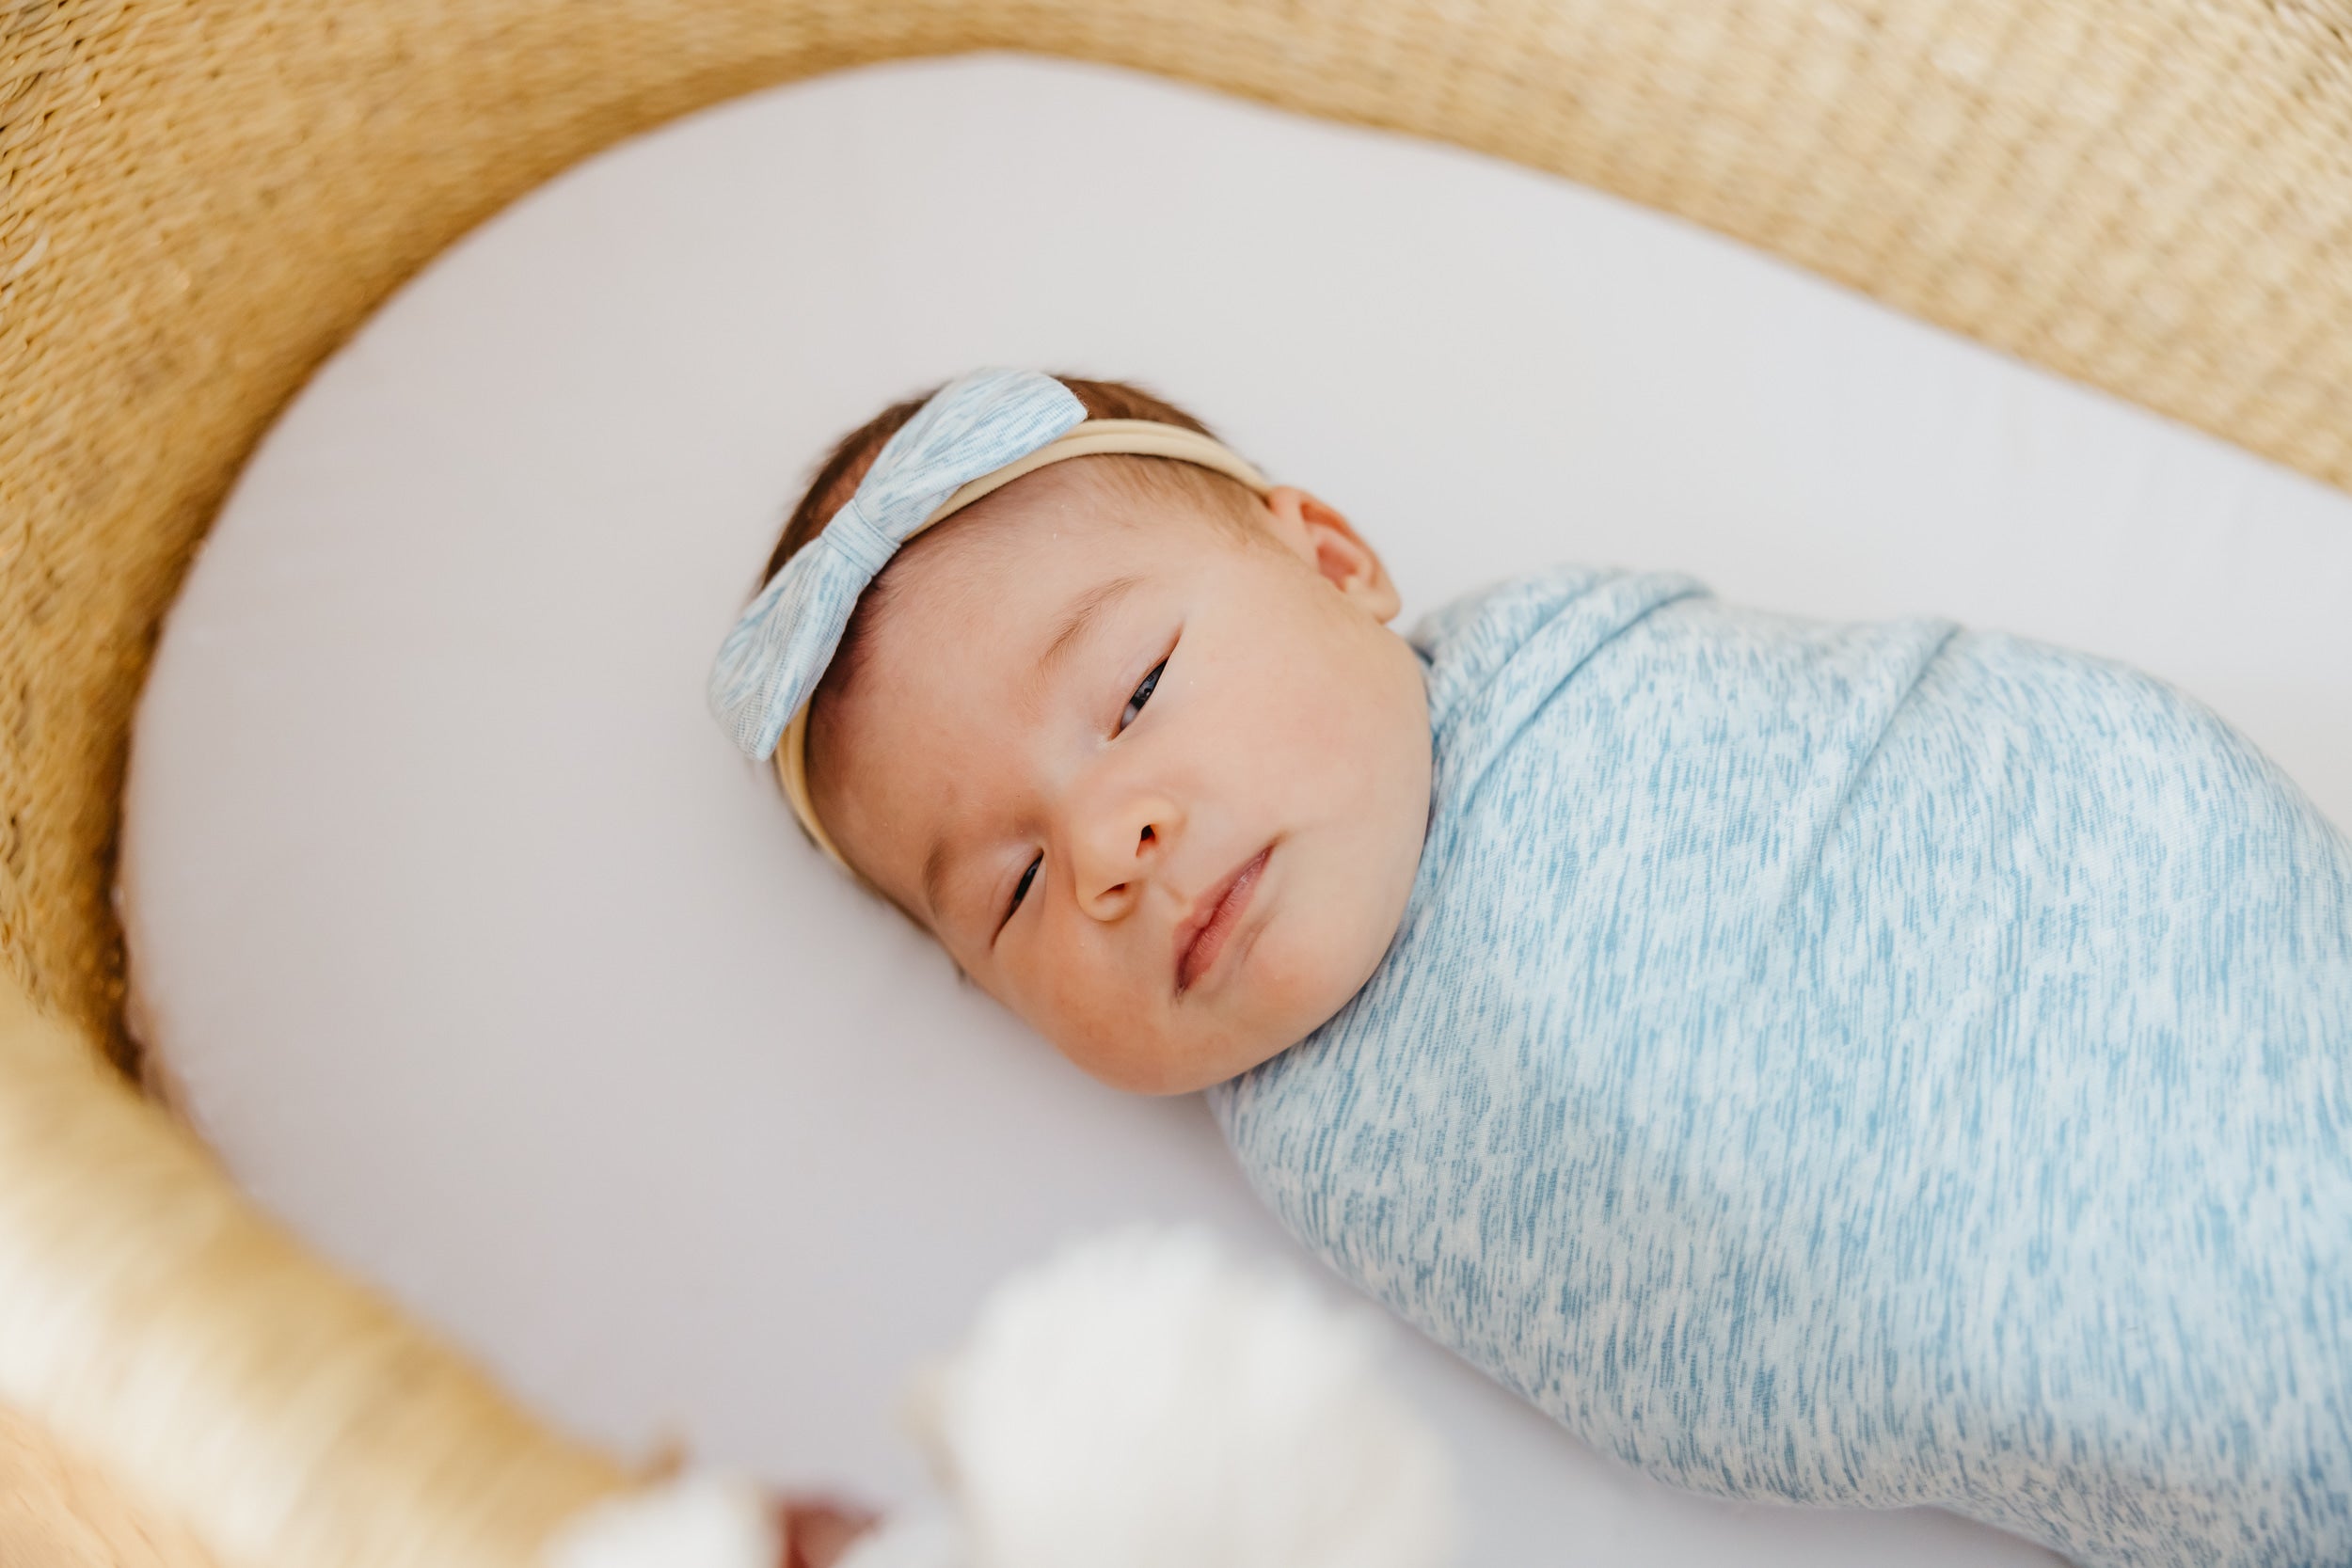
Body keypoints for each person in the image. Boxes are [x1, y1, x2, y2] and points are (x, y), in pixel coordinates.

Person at [709, 368, 2352, 1566]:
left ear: (1333, 562)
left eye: (1135, 694)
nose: (1111, 846)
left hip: (2151, 911)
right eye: (1013, 890)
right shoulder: (1331, 1154)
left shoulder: (1574, 664)